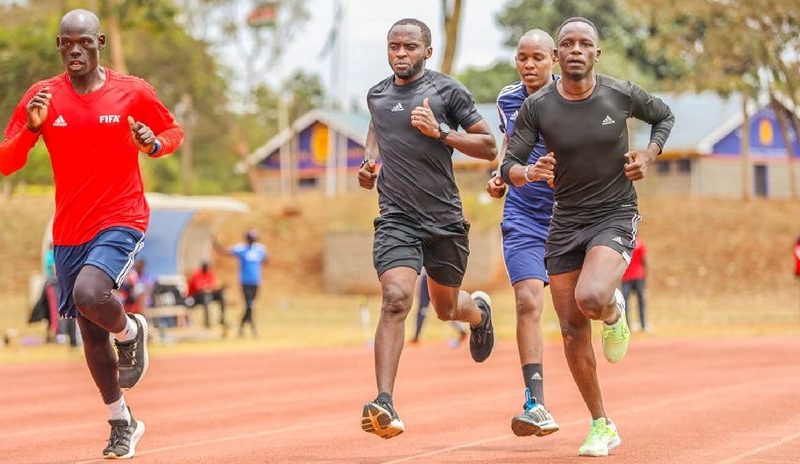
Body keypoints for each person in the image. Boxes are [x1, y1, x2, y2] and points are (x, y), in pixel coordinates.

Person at [0, 9, 184, 459]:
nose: (75, 50)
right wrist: (33, 129)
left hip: (122, 216)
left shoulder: (132, 91)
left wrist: (152, 145)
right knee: (89, 332)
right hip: (69, 229)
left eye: (84, 42)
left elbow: (171, 130)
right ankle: (122, 421)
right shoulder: (42, 97)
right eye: (67, 43)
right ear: (59, 46)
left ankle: (131, 331)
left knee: (89, 292)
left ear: (99, 41)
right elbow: (6, 160)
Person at [500, 17, 674, 457]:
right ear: (558, 57)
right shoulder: (537, 106)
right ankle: (602, 423)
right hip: (564, 222)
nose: (576, 50)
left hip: (614, 214)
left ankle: (613, 311)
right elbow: (508, 165)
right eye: (567, 44)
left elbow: (664, 116)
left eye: (585, 44)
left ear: (597, 53)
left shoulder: (620, 93)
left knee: (592, 297)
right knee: (572, 330)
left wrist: (647, 156)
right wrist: (527, 172)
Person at [358, 18, 497, 439]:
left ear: (427, 52)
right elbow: (376, 129)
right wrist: (369, 164)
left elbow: (489, 146)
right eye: (394, 46)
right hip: (397, 218)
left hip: (445, 221)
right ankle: (384, 401)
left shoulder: (447, 91)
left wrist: (441, 132)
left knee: (445, 309)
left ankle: (478, 313)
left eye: (409, 47)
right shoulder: (377, 95)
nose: (400, 53)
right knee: (396, 298)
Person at [486, 29, 560, 438]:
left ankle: (610, 305)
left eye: (537, 58)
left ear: (554, 59)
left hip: (571, 216)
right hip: (523, 215)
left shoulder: (574, 97)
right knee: (528, 300)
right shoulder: (507, 99)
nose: (529, 65)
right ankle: (536, 403)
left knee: (582, 308)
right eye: (522, 58)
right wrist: (499, 175)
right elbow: (509, 144)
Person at [215, 230, 267, 337]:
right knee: (249, 304)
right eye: (250, 238)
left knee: (251, 305)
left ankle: (242, 327)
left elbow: (265, 260)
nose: (251, 240)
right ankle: (252, 328)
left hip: (256, 281)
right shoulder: (241, 249)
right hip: (245, 281)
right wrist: (216, 243)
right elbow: (225, 251)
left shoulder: (260, 249)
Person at [408, 269, 467, 347]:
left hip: (438, 275)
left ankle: (462, 331)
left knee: (445, 309)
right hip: (426, 276)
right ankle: (416, 336)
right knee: (423, 309)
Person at [186, 260, 227, 331]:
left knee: (220, 295)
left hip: (208, 294)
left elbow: (213, 285)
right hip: (195, 297)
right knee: (206, 296)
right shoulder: (197, 275)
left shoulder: (209, 274)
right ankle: (207, 323)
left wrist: (214, 288)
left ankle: (222, 320)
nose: (207, 269)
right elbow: (198, 288)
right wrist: (207, 288)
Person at [621, 238, 649, 332]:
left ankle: (627, 326)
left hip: (627, 277)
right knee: (641, 301)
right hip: (638, 276)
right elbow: (644, 261)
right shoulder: (640, 244)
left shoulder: (623, 243)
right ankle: (643, 325)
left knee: (625, 303)